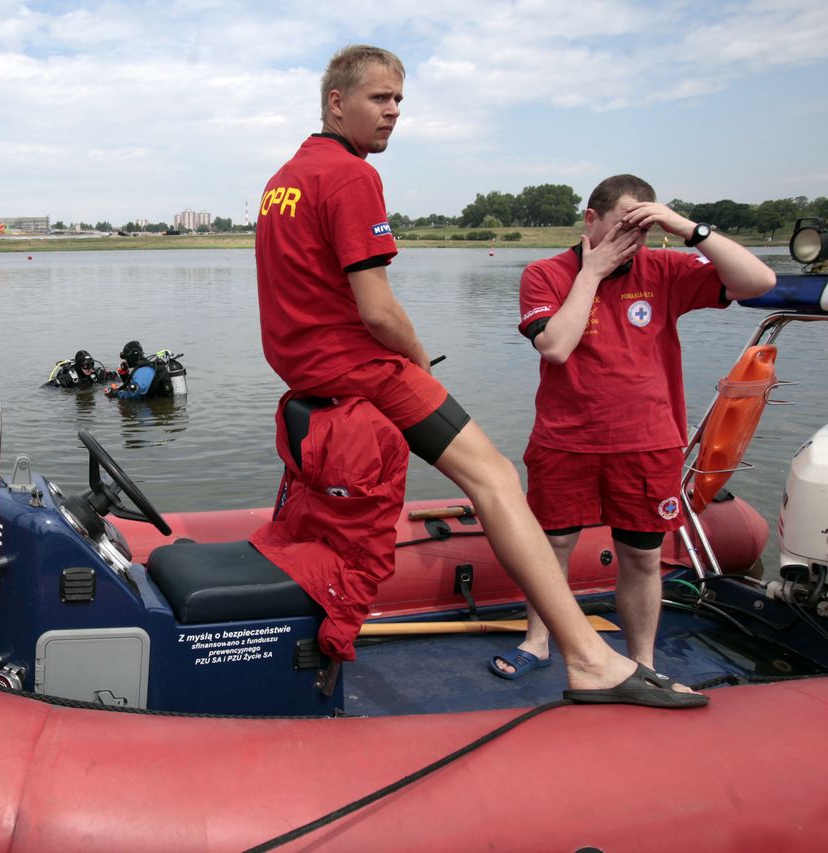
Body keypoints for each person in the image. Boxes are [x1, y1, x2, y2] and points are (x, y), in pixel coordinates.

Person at [255, 44, 705, 707]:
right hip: (367, 371)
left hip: (311, 377)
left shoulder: (281, 181)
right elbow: (377, 311)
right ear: (336, 102)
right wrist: (416, 354)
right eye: (380, 99)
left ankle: (567, 646)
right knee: (496, 477)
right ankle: (588, 657)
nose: (393, 113)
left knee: (483, 477)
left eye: (399, 100)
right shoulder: (351, 177)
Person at [493, 174, 776, 679]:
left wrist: (686, 226)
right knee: (552, 548)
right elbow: (556, 346)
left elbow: (760, 282)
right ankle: (537, 642)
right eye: (625, 224)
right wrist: (592, 273)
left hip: (648, 442)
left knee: (642, 558)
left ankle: (642, 662)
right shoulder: (545, 273)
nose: (634, 239)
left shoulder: (665, 269)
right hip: (565, 441)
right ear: (591, 220)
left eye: (644, 227)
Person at [104, 340, 186, 399]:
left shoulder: (143, 372)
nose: (125, 361)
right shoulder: (146, 368)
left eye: (126, 358)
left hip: (152, 412)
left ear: (131, 357)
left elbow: (132, 395)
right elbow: (133, 386)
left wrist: (115, 393)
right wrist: (124, 374)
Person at [46, 349, 113, 388]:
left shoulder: (96, 373)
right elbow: (47, 388)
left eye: (91, 365)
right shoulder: (68, 378)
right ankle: (66, 365)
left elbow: (116, 378)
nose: (89, 368)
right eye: (85, 366)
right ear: (79, 365)